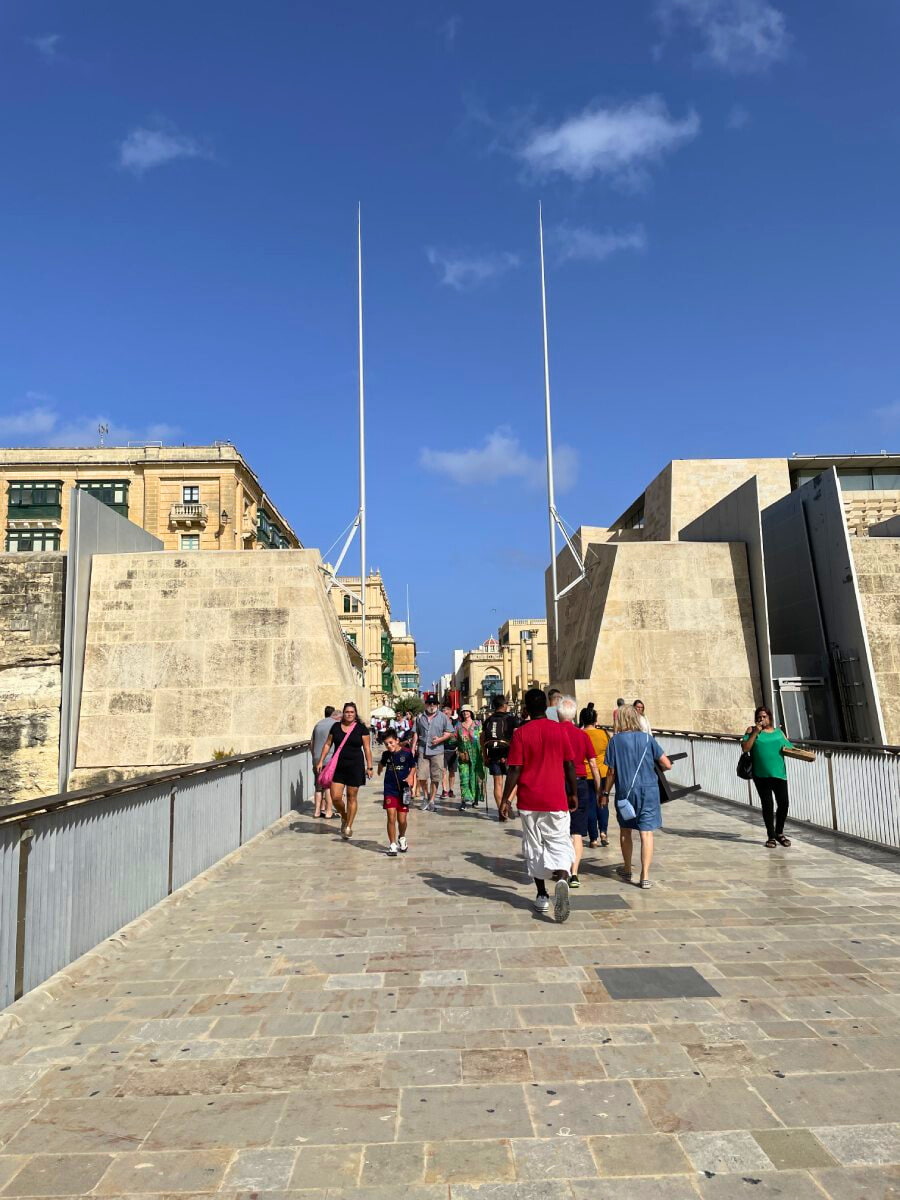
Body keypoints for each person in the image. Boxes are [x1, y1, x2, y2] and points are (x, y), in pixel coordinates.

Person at [501, 688, 578, 921]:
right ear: (547, 707)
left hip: (530, 799)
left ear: (525, 708)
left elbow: (514, 768)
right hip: (556, 797)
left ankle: (542, 895)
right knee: (560, 841)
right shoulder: (559, 730)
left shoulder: (521, 733)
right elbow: (569, 765)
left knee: (534, 846)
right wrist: (573, 793)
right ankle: (563, 878)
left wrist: (505, 799)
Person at [603, 705, 672, 889]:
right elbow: (667, 764)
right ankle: (645, 875)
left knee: (626, 830)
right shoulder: (647, 739)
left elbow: (611, 771)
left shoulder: (615, 741)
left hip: (626, 792)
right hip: (649, 791)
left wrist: (604, 793)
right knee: (646, 832)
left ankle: (627, 868)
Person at [557, 696, 602, 889]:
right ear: (574, 716)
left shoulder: (553, 733)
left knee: (559, 828)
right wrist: (600, 789)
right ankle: (574, 873)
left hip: (558, 784)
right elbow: (593, 763)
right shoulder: (582, 735)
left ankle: (562, 870)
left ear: (558, 714)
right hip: (581, 783)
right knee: (576, 832)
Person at [315, 701, 373, 840]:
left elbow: (366, 748)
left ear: (355, 714)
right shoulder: (335, 727)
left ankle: (348, 826)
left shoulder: (361, 728)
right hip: (338, 766)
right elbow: (328, 744)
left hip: (355, 766)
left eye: (352, 712)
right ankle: (344, 816)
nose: (349, 714)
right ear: (343, 713)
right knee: (335, 797)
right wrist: (321, 760)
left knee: (352, 797)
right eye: (347, 712)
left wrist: (369, 766)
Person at [741, 706, 795, 848]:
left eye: (764, 716)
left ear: (769, 717)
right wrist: (755, 733)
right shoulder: (751, 731)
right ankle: (770, 836)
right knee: (767, 805)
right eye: (759, 717)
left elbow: (789, 748)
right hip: (761, 775)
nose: (761, 719)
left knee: (784, 804)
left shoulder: (778, 733)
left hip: (779, 774)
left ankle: (779, 833)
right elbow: (745, 748)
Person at [413, 694, 456, 811]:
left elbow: (449, 732)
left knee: (436, 777)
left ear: (437, 705)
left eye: (434, 703)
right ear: (426, 704)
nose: (431, 706)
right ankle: (426, 796)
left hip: (437, 751)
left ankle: (432, 800)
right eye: (429, 703)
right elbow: (416, 732)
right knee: (421, 776)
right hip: (422, 750)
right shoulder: (420, 717)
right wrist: (413, 747)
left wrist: (440, 739)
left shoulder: (443, 717)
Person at [481, 695, 520, 820]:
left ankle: (500, 812)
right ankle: (507, 803)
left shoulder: (488, 720)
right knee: (515, 782)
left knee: (498, 784)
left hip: (492, 754)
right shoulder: (511, 719)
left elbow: (483, 738)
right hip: (508, 754)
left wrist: (485, 755)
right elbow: (516, 738)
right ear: (504, 705)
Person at [379, 730, 416, 856]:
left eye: (391, 743)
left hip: (404, 790)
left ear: (397, 741)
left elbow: (413, 766)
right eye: (386, 744)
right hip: (390, 789)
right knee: (391, 816)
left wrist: (411, 776)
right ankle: (392, 845)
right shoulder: (386, 755)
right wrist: (376, 769)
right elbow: (381, 764)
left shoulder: (406, 753)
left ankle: (402, 837)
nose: (389, 746)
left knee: (402, 820)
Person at [583, 712, 611, 847]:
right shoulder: (603, 733)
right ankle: (603, 832)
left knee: (590, 806)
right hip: (603, 772)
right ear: (595, 720)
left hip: (586, 773)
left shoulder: (580, 734)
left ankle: (593, 838)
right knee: (603, 802)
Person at [456, 704, 485, 809]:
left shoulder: (478, 724)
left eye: (467, 711)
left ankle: (475, 800)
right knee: (464, 777)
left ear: (471, 712)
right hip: (463, 755)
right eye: (463, 711)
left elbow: (482, 737)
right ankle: (464, 801)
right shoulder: (458, 725)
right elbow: (454, 739)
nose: (465, 713)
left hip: (476, 755)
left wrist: (484, 751)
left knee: (475, 778)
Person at [311, 705, 337, 819]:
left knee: (318, 786)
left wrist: (315, 756)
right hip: (329, 758)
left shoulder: (318, 724)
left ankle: (317, 811)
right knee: (327, 786)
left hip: (317, 759)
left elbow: (311, 743)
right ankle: (328, 811)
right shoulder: (335, 725)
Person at [440, 702, 459, 799]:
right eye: (443, 713)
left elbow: (460, 735)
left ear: (451, 713)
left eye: (447, 713)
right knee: (443, 771)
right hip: (442, 750)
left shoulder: (456, 723)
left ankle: (451, 789)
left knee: (452, 772)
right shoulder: (439, 724)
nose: (445, 715)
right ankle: (444, 790)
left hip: (453, 751)